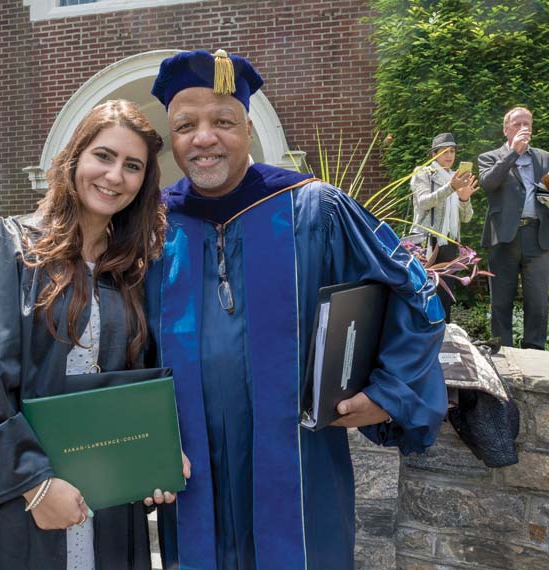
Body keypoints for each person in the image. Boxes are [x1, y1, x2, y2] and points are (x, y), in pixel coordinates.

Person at [145, 49, 448, 569]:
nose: (204, 138)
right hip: (191, 469)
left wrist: (390, 392)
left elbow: (415, 292)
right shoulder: (152, 226)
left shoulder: (314, 209)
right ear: (171, 137)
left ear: (246, 127)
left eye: (223, 121)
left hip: (300, 467)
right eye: (185, 125)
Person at [0, 100, 178, 569]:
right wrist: (34, 485)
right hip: (23, 503)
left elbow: (137, 386)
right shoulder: (11, 247)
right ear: (75, 157)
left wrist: (157, 456)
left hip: (111, 502)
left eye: (133, 166)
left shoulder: (131, 271)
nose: (115, 176)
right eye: (103, 156)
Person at [479, 107, 549, 350]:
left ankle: (535, 353)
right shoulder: (489, 157)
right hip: (503, 237)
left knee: (538, 301)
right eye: (517, 124)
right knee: (501, 301)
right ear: (505, 129)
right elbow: (488, 184)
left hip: (538, 236)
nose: (523, 129)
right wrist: (512, 154)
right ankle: (503, 355)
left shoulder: (544, 157)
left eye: (527, 124)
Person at [410, 132, 479, 322]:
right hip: (426, 243)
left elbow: (466, 217)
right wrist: (451, 187)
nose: (450, 156)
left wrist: (464, 197)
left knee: (446, 295)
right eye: (445, 151)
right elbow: (423, 202)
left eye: (453, 151)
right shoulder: (423, 173)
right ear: (434, 154)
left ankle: (444, 337)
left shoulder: (455, 177)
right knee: (426, 292)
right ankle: (425, 337)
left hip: (449, 243)